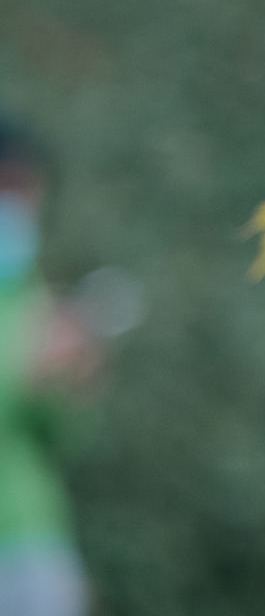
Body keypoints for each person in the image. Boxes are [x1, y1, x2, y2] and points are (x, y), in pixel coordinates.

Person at [0, 121, 88, 616]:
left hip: (32, 536)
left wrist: (72, 378)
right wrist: (23, 377)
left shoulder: (27, 292)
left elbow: (59, 437)